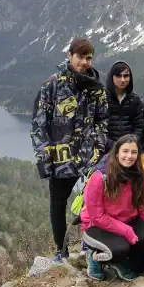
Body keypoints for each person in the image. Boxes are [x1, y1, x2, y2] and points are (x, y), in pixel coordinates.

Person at [31, 38, 108, 263]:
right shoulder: (52, 85)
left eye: (88, 58)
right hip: (61, 158)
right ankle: (60, 251)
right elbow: (39, 124)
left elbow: (103, 120)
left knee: (94, 202)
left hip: (88, 157)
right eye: (80, 57)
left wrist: (98, 146)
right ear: (70, 56)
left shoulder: (97, 88)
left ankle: (91, 247)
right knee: (58, 203)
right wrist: (45, 157)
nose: (84, 62)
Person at [81, 135, 144, 282]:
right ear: (117, 153)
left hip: (126, 220)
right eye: (125, 151)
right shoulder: (100, 177)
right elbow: (97, 217)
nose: (129, 156)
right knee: (121, 248)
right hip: (98, 225)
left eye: (133, 152)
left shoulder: (138, 175)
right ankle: (94, 256)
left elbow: (142, 204)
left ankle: (119, 260)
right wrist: (126, 231)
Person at [105, 61, 144, 150]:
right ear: (111, 77)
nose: (122, 80)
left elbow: (139, 126)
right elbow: (98, 125)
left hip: (129, 148)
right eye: (118, 76)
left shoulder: (135, 100)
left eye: (126, 76)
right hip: (107, 149)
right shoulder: (102, 99)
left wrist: (130, 143)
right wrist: (111, 145)